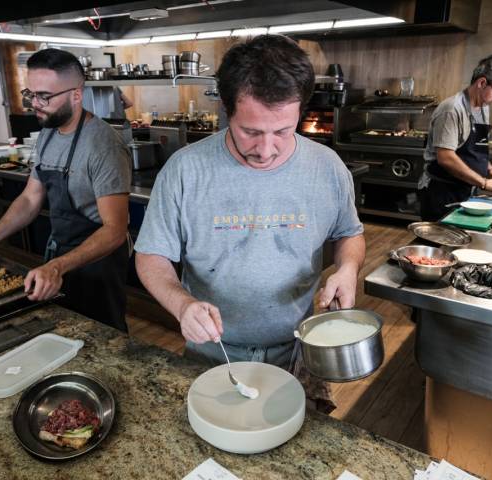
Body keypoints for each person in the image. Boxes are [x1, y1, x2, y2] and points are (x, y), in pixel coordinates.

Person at [134, 35, 366, 373]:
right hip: (213, 353)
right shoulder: (185, 170)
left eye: (284, 131)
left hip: (301, 350)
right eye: (251, 132)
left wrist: (347, 269)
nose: (267, 149)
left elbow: (349, 234)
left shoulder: (327, 166)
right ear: (227, 110)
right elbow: (151, 255)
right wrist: (182, 305)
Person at [0, 49, 132, 331]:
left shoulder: (102, 146)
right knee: (63, 328)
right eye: (30, 94)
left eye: (44, 97)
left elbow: (115, 230)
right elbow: (30, 197)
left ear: (76, 94)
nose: (34, 104)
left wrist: (58, 267)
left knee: (102, 333)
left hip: (97, 263)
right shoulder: (49, 131)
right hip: (59, 253)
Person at [418, 52, 492, 221]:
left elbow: (476, 149)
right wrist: (485, 183)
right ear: (482, 82)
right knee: (440, 243)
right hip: (442, 192)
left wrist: (491, 171)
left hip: (464, 189)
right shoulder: (451, 109)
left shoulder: (483, 107)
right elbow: (446, 158)